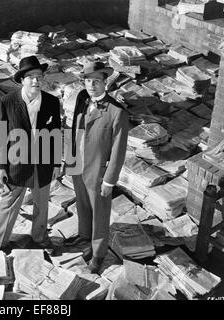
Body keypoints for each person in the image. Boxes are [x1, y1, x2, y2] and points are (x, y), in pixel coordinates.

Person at [0, 55, 61, 253]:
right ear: (22, 79)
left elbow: (56, 133)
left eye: (39, 76)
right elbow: (0, 136)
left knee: (41, 204)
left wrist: (56, 163)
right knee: (9, 204)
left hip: (43, 162)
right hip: (16, 162)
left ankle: (39, 238)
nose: (36, 81)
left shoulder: (51, 102)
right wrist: (0, 166)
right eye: (31, 77)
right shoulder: (6, 102)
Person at [66, 61, 129, 273]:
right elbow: (75, 128)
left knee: (99, 214)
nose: (92, 85)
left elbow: (118, 151)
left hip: (98, 173)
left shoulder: (116, 112)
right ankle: (84, 237)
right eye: (87, 81)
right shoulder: (81, 99)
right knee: (82, 206)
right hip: (78, 166)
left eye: (96, 81)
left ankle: (99, 254)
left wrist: (109, 180)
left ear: (105, 83)